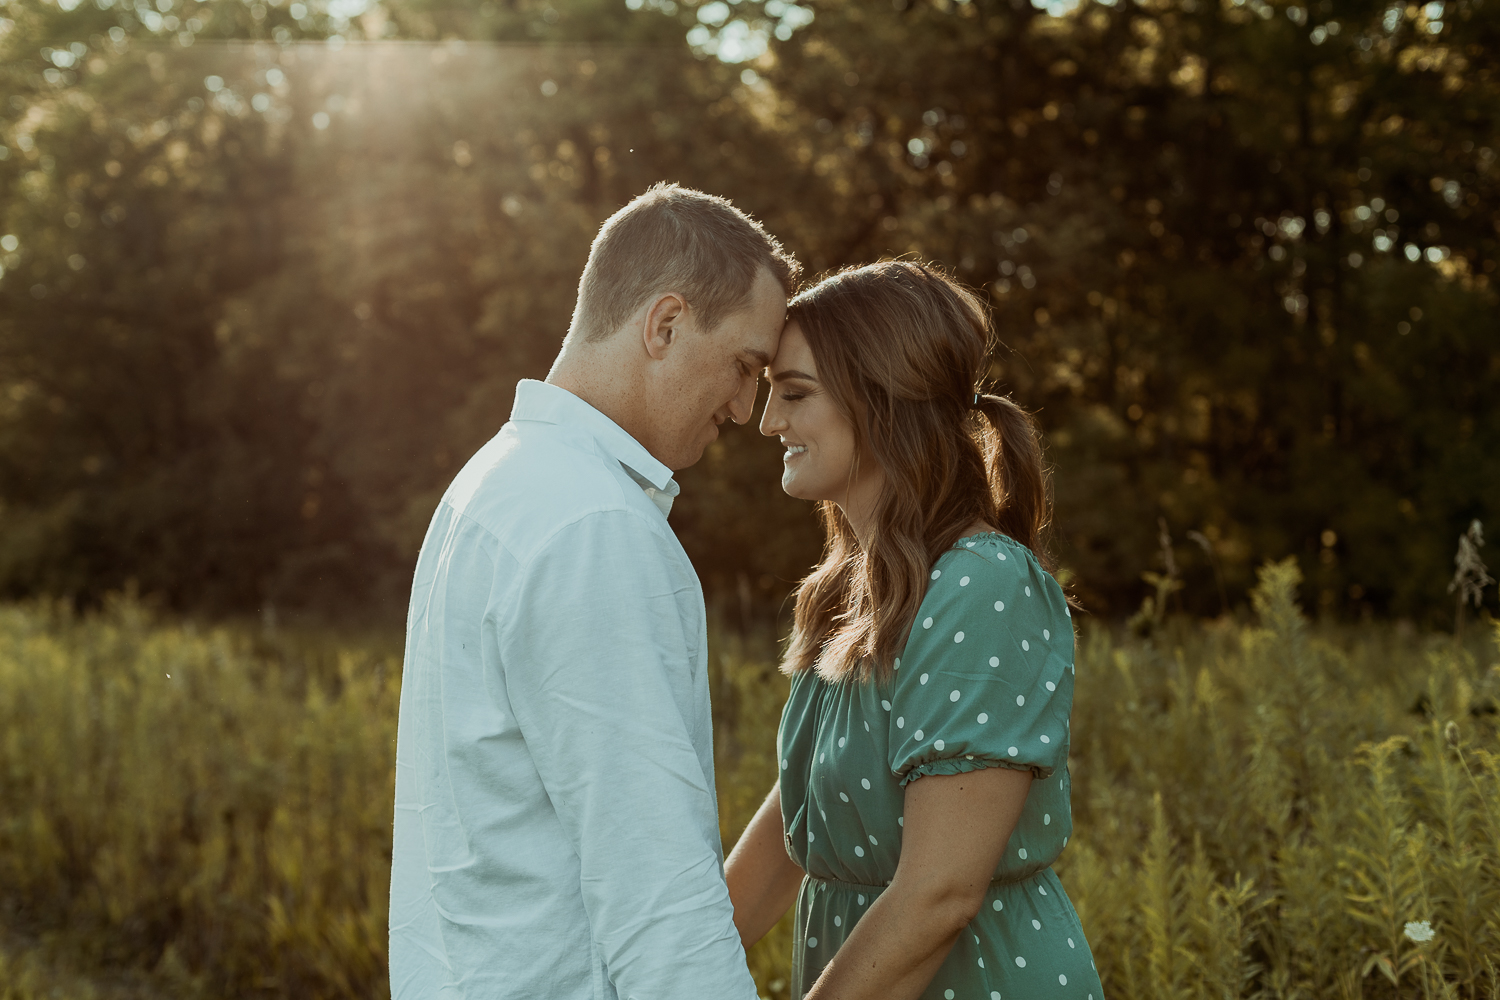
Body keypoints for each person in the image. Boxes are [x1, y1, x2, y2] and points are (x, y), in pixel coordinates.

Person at [388, 183, 799, 1000]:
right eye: (745, 365)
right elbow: (656, 891)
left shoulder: (492, 484)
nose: (748, 407)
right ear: (666, 324)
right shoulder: (592, 527)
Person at [725, 261, 1103, 1000]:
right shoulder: (848, 588)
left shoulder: (981, 585)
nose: (768, 422)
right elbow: (798, 819)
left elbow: (939, 895)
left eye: (794, 394)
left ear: (880, 404)